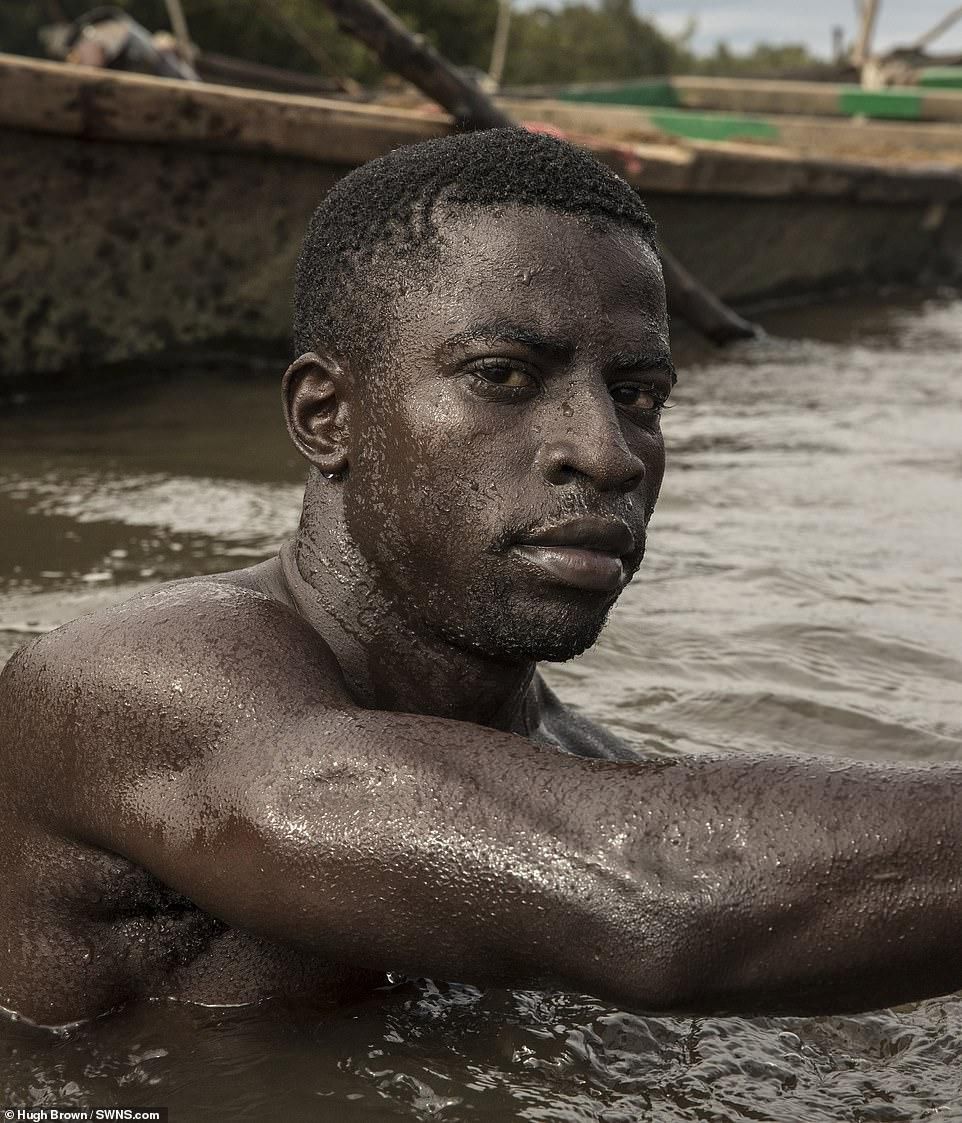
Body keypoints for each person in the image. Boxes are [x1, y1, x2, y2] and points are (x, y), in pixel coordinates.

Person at [0, 129, 959, 1028]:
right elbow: (654, 896)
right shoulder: (128, 684)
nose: (609, 452)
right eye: (504, 376)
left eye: (639, 395)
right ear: (327, 418)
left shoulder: (585, 772)